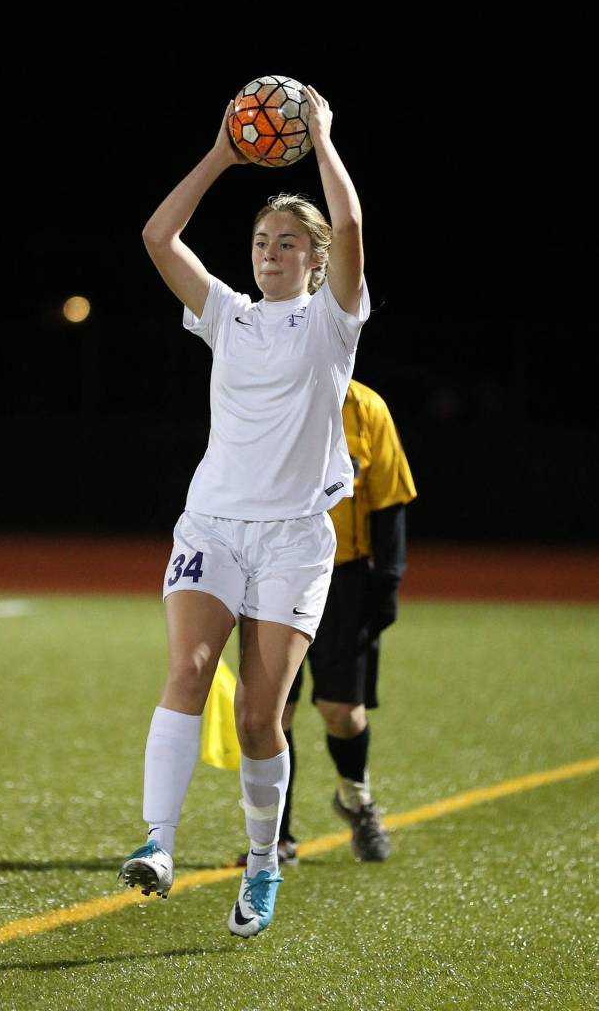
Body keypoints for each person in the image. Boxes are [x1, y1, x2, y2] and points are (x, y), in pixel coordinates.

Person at [119, 85, 371, 938]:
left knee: (260, 717)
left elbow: (353, 227)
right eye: (262, 241)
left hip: (294, 539)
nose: (270, 253)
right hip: (212, 527)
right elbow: (158, 238)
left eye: (288, 243)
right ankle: (157, 843)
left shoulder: (331, 322)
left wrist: (321, 139)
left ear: (314, 259)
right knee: (188, 669)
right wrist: (224, 154)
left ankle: (263, 863)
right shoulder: (226, 315)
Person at [236, 380, 417, 869]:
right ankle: (275, 839)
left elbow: (390, 499)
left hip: (344, 580)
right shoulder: (266, 393)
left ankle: (356, 798)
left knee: (342, 713)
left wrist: (388, 581)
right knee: (271, 711)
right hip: (274, 574)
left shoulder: (365, 407)